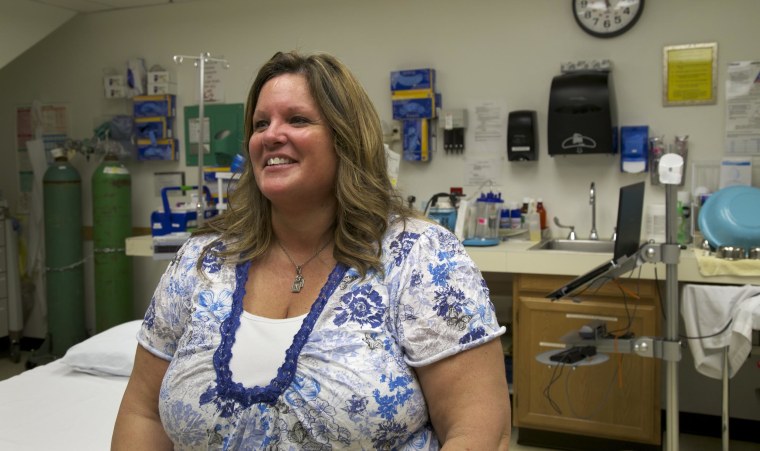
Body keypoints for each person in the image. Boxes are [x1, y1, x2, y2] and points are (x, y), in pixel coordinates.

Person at [112, 50, 511, 450]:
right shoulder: (202, 261)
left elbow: (479, 430)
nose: (270, 135)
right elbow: (142, 412)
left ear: (346, 138)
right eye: (260, 123)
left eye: (297, 119)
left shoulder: (421, 257)